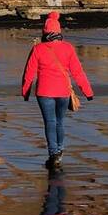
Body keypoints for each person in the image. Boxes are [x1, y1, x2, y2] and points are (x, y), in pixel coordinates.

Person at [21, 11, 93, 167]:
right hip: (63, 92)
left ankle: (54, 153)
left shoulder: (38, 49)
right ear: (59, 31)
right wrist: (88, 92)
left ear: (44, 31)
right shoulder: (68, 48)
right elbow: (78, 72)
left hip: (44, 92)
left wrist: (25, 91)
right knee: (60, 121)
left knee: (50, 122)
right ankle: (59, 150)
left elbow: (29, 73)